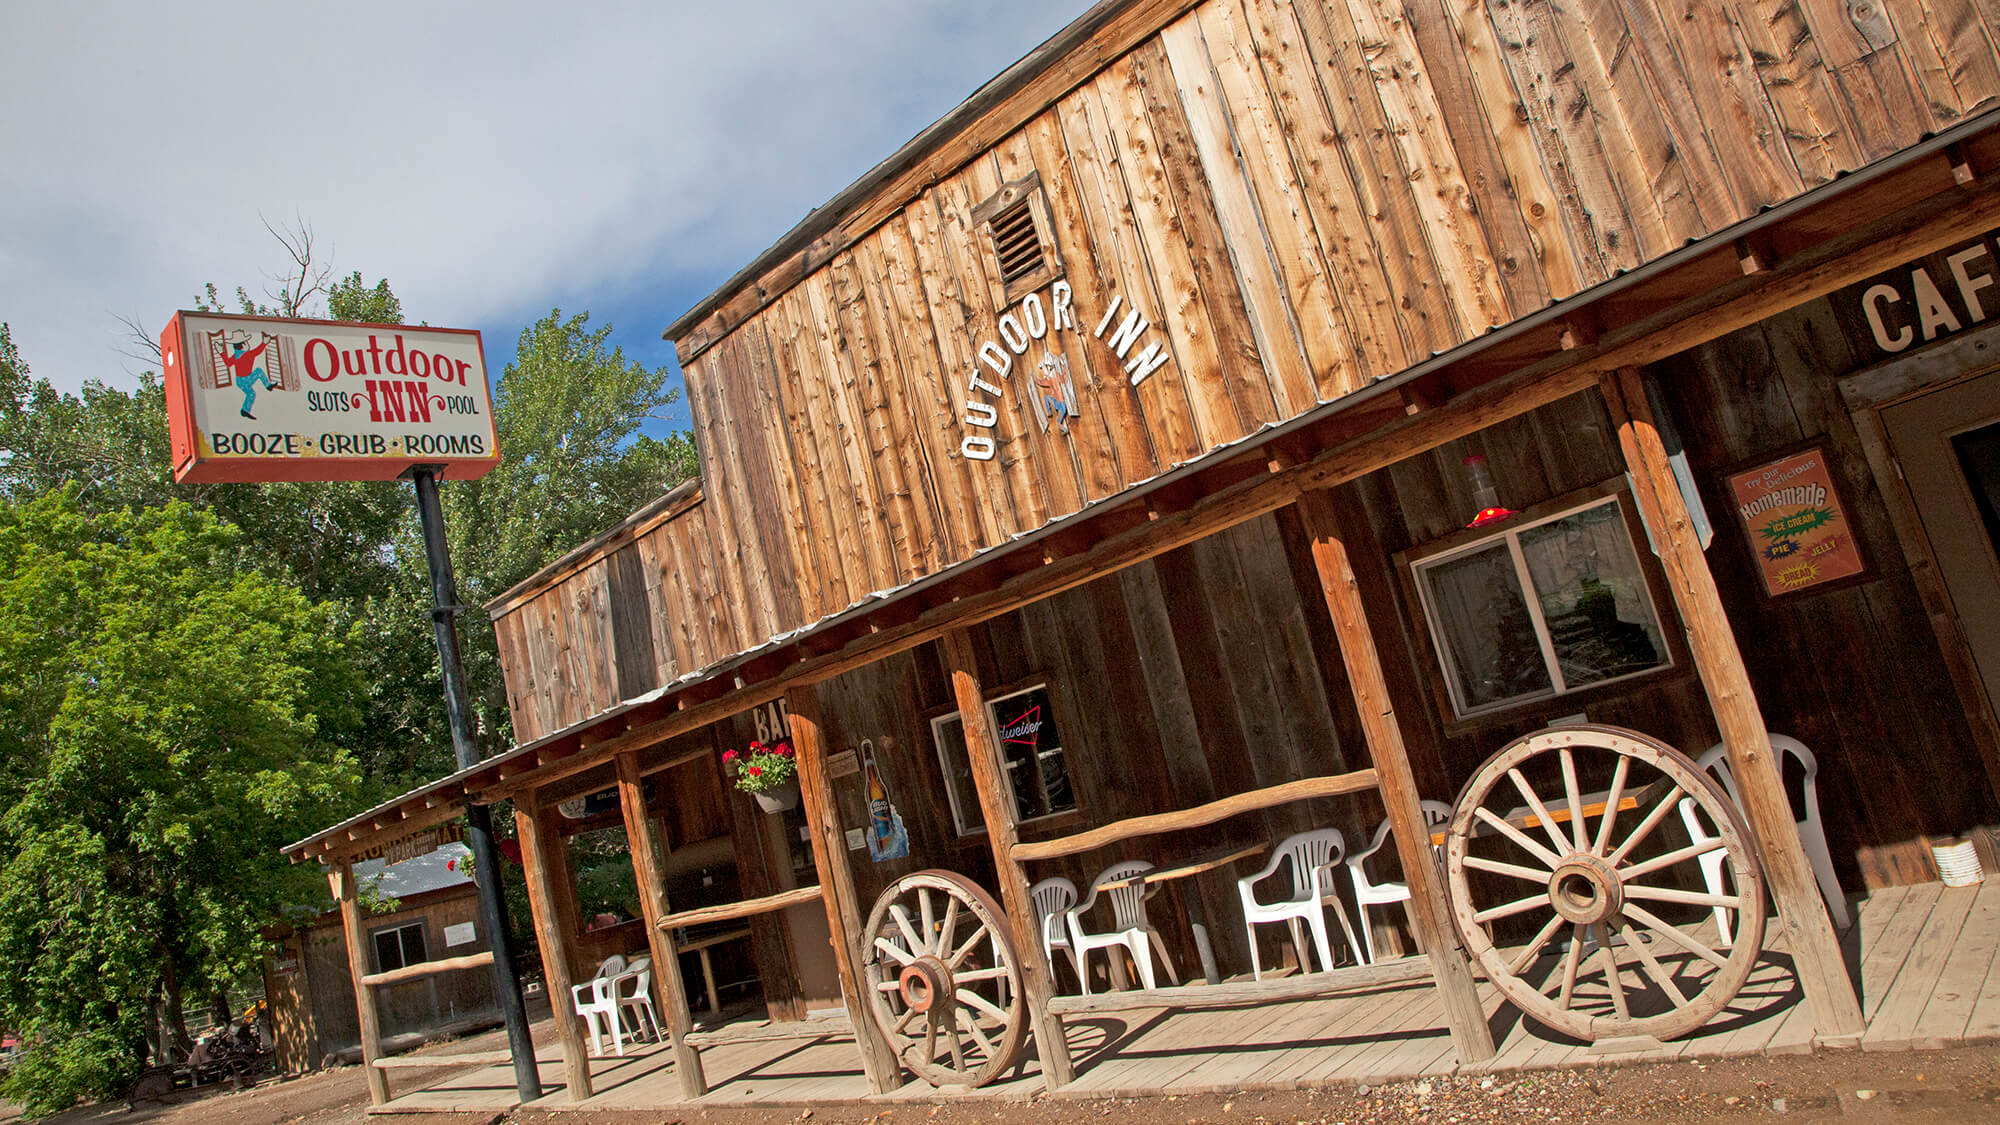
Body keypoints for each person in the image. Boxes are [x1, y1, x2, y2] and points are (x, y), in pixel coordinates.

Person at [222, 336, 272, 419]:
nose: (248, 344)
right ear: (243, 346)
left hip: (239, 381)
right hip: (246, 380)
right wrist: (264, 343)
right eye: (246, 343)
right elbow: (257, 351)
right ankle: (268, 386)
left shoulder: (236, 355)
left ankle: (245, 410)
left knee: (251, 394)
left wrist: (221, 353)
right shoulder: (248, 354)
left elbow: (228, 363)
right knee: (258, 371)